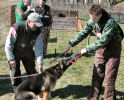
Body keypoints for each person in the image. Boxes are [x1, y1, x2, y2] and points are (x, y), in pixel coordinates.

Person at [65, 4, 123, 100]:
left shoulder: (110, 22)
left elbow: (103, 41)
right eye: (91, 17)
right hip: (100, 50)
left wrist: (86, 49)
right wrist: (71, 43)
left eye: (94, 18)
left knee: (109, 79)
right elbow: (83, 32)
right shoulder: (92, 20)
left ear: (100, 15)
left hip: (113, 51)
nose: (92, 20)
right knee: (97, 75)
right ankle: (93, 97)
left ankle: (109, 98)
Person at [5, 12, 44, 92]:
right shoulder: (16, 28)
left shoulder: (38, 32)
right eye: (35, 24)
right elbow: (8, 44)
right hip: (15, 51)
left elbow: (39, 48)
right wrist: (11, 58)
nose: (37, 26)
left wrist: (40, 63)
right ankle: (18, 91)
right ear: (29, 21)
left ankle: (34, 89)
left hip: (28, 52)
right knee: (15, 72)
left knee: (32, 72)